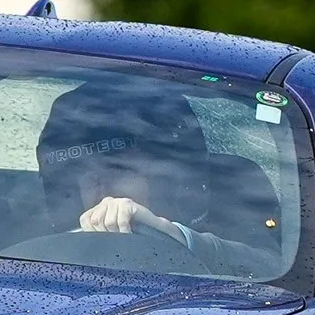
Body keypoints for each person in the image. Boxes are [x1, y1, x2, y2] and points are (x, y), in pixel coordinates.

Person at [35, 86, 272, 275]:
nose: (102, 191)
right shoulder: (34, 232)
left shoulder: (234, 203)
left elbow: (277, 273)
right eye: (86, 175)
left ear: (170, 180)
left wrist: (173, 235)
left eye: (119, 171)